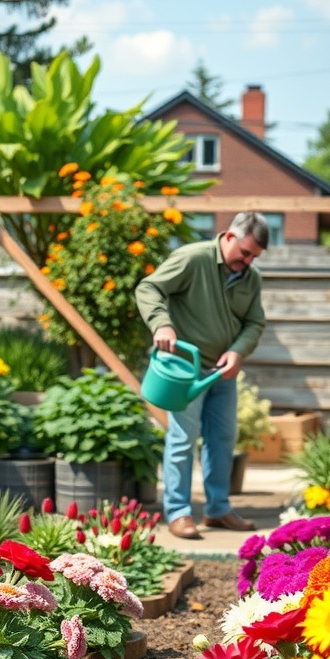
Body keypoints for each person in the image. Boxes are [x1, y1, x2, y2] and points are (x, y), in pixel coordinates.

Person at [135, 211, 268, 539]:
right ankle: (178, 513)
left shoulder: (251, 278)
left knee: (222, 439)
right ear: (228, 237)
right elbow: (148, 288)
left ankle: (218, 509)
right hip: (186, 371)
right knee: (183, 439)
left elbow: (254, 323)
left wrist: (238, 350)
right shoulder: (193, 259)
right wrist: (161, 323)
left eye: (255, 256)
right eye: (245, 252)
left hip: (222, 373)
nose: (248, 261)